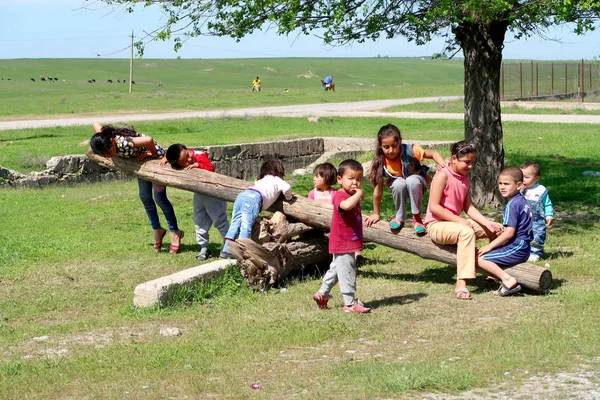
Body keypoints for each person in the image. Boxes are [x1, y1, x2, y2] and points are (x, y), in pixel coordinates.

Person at [423, 140, 504, 300]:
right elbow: (434, 207)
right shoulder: (442, 175)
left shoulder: (465, 178)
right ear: (454, 159)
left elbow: (469, 208)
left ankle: (492, 269)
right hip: (436, 225)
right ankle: (461, 283)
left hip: (454, 223)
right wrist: (459, 221)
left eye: (473, 162)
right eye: (467, 162)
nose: (470, 166)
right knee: (466, 232)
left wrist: (488, 223)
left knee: (497, 229)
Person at [89, 122, 184, 253]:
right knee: (145, 197)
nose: (108, 156)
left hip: (157, 162)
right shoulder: (106, 139)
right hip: (141, 164)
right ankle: (158, 229)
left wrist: (151, 154)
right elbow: (96, 124)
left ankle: (175, 232)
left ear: (112, 141)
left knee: (160, 199)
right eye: (104, 155)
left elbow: (148, 140)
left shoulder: (125, 143)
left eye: (109, 152)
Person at [312, 159, 371, 313]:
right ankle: (350, 304)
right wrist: (358, 194)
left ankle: (322, 293)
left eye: (358, 179)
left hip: (346, 241)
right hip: (343, 242)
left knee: (338, 269)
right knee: (348, 270)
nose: (355, 183)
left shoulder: (350, 194)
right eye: (350, 179)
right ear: (339, 179)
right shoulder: (340, 195)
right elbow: (345, 206)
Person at [365, 123, 445, 234]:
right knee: (399, 183)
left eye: (394, 145)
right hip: (399, 186)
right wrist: (376, 213)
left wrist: (443, 165)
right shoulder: (380, 162)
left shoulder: (411, 150)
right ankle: (399, 217)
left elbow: (433, 154)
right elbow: (378, 191)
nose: (391, 150)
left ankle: (417, 218)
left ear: (400, 141)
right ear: (380, 145)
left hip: (417, 182)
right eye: (386, 147)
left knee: (411, 180)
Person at [165, 144, 230, 261]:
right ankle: (204, 247)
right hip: (199, 194)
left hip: (212, 193)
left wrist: (198, 165)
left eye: (188, 156)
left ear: (187, 149)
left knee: (219, 219)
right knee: (199, 220)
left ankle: (229, 245)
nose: (189, 160)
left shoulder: (199, 156)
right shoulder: (180, 157)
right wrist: (166, 158)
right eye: (184, 161)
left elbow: (211, 168)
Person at [477, 167, 533, 296]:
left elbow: (510, 233)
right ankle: (498, 278)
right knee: (488, 255)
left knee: (480, 258)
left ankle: (508, 280)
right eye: (500, 183)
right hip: (523, 247)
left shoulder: (512, 205)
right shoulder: (522, 201)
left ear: (519, 185)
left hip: (517, 247)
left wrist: (489, 246)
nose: (502, 187)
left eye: (507, 184)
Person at [221, 160, 293, 258]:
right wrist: (289, 198)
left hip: (242, 195)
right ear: (278, 171)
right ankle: (242, 250)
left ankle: (226, 250)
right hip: (253, 198)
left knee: (235, 224)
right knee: (246, 225)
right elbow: (287, 188)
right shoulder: (277, 180)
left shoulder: (259, 180)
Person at [520, 161, 554, 262]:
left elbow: (547, 204)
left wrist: (549, 215)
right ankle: (523, 251)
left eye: (526, 177)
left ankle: (535, 252)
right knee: (522, 235)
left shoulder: (541, 190)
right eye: (521, 176)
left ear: (536, 178)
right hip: (523, 219)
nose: (523, 180)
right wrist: (520, 191)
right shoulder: (520, 189)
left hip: (537, 220)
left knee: (537, 236)